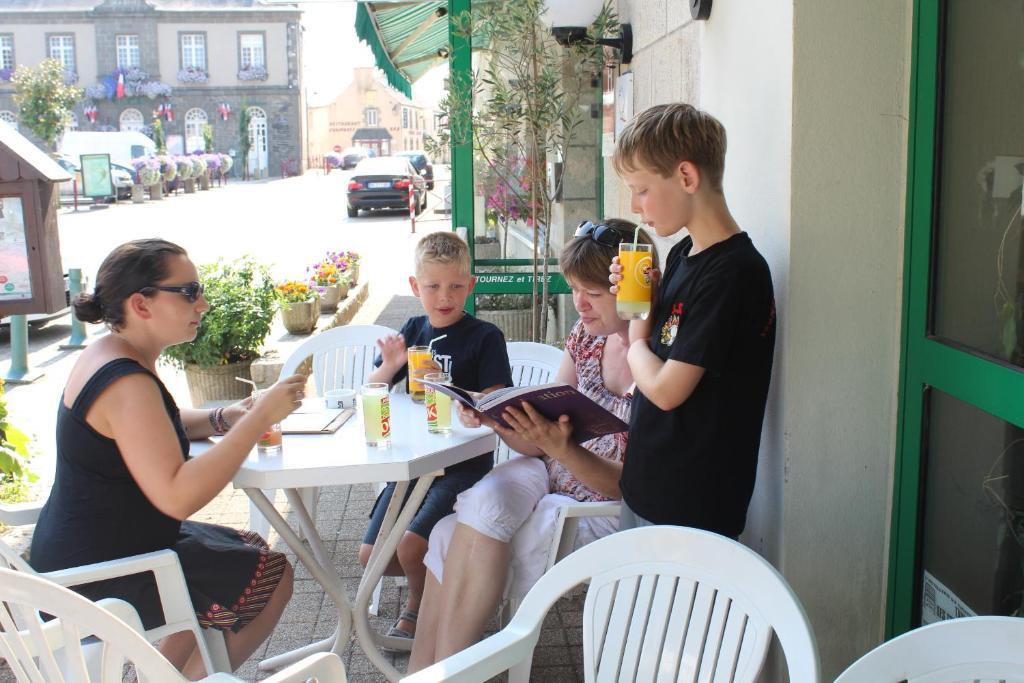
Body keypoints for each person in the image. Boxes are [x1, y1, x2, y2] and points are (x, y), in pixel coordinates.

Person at [29, 239, 306, 679]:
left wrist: (222, 418)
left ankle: (164, 675)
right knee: (269, 576)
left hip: (88, 550)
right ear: (141, 304)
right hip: (101, 574)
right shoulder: (127, 384)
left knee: (241, 553)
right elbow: (178, 496)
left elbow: (160, 424)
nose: (204, 303)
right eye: (190, 291)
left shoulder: (110, 352)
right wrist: (261, 418)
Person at [408, 220, 654, 672]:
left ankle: (448, 673)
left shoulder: (653, 362)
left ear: (633, 288)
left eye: (594, 294)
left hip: (601, 506)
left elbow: (627, 487)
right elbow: (538, 442)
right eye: (575, 289)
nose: (578, 304)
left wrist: (558, 448)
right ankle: (428, 674)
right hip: (549, 476)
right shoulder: (585, 338)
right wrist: (496, 417)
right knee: (466, 515)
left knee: (448, 536)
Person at [609, 103, 777, 536]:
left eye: (641, 189)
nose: (634, 204)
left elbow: (665, 390)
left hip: (690, 502)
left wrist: (636, 338)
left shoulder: (735, 273)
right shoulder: (684, 254)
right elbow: (664, 343)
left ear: (686, 177)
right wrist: (637, 301)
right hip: (650, 483)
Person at [360, 231, 512, 641]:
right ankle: (438, 582)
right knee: (371, 557)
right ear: (415, 287)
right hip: (414, 461)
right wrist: (389, 367)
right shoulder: (412, 329)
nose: (444, 296)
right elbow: (371, 390)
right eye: (432, 286)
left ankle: (419, 607)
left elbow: (498, 398)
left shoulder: (485, 337)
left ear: (470, 286)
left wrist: (472, 400)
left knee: (410, 546)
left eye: (455, 286)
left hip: (462, 465)